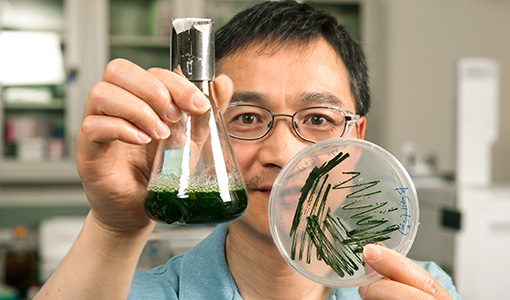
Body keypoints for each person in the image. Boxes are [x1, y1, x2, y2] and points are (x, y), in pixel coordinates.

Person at [35, 1, 460, 299]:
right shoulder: (134, 294)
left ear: (356, 141)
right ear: (202, 129)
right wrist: (115, 228)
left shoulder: (419, 289)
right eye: (247, 118)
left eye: (317, 120)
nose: (283, 153)